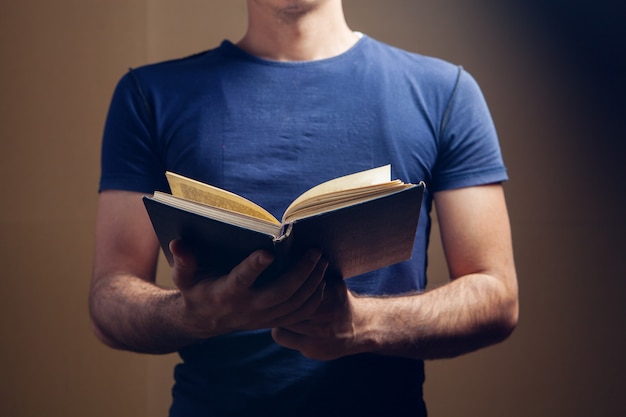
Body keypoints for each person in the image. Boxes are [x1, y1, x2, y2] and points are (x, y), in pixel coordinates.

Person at [89, 1, 519, 416]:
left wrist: (362, 324)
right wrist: (194, 315)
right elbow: (109, 300)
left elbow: (497, 297)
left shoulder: (446, 93)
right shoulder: (147, 96)